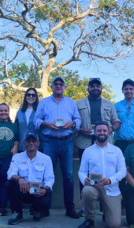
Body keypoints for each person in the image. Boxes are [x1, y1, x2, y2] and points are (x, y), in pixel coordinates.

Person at [34, 76, 81, 219]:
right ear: (52, 87)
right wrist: (47, 125)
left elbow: (77, 119)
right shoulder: (44, 102)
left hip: (67, 142)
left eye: (61, 84)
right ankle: (44, 208)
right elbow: (36, 120)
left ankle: (69, 207)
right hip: (49, 142)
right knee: (46, 175)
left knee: (68, 176)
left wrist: (72, 124)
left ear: (64, 87)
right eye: (56, 84)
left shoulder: (71, 103)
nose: (59, 86)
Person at [76, 77, 120, 216]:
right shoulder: (79, 103)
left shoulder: (109, 104)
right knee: (84, 174)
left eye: (98, 86)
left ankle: (104, 205)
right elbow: (74, 122)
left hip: (104, 143)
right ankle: (85, 206)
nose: (95, 88)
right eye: (92, 86)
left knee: (106, 172)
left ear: (101, 88)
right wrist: (81, 130)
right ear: (88, 88)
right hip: (85, 142)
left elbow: (117, 122)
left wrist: (108, 130)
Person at [78, 121, 126, 228]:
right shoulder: (88, 151)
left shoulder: (117, 150)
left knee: (114, 225)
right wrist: (84, 179)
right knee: (86, 191)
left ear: (108, 132)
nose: (102, 132)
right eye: (99, 130)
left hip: (112, 189)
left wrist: (110, 180)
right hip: (94, 187)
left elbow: (123, 171)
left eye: (104, 130)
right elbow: (82, 171)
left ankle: (107, 213)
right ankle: (89, 219)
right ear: (95, 132)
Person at [5, 132, 54, 225]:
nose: (31, 143)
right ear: (24, 143)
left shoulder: (46, 158)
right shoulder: (17, 157)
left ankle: (37, 211)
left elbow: (50, 178)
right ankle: (17, 213)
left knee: (45, 197)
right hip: (23, 189)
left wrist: (46, 189)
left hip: (37, 190)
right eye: (29, 141)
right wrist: (20, 179)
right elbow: (10, 173)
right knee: (9, 184)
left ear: (38, 143)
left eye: (34, 141)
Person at [114, 79, 134, 214]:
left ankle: (133, 204)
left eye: (131, 88)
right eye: (126, 89)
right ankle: (120, 203)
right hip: (120, 143)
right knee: (120, 173)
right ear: (122, 91)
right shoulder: (115, 106)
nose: (128, 91)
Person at [15, 88, 42, 152]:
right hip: (22, 146)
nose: (31, 96)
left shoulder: (40, 111)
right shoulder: (19, 112)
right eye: (28, 95)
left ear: (36, 97)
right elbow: (16, 129)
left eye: (33, 95)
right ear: (25, 96)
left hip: (37, 147)